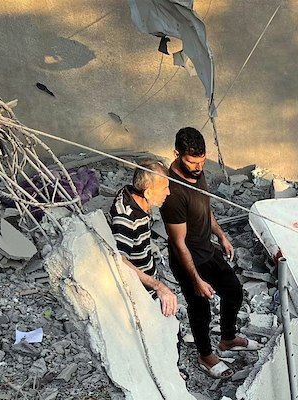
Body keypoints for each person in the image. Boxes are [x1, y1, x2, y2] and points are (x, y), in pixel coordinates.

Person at [162, 126, 256, 378]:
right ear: (177, 154)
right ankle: (205, 355)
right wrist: (196, 280)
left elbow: (204, 207)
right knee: (200, 309)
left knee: (233, 291)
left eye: (201, 161)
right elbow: (178, 243)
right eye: (192, 162)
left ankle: (228, 339)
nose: (198, 167)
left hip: (208, 248)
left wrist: (221, 235)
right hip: (188, 259)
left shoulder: (198, 173)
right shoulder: (173, 193)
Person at [108, 159, 178, 318]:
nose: (168, 192)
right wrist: (157, 286)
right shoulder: (126, 219)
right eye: (164, 188)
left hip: (149, 275)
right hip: (140, 290)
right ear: (147, 193)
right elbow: (120, 260)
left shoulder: (132, 195)